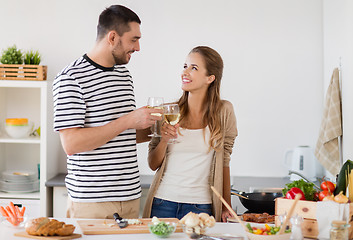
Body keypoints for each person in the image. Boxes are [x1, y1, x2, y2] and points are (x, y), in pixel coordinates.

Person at [53, 5, 162, 219]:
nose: (138, 47)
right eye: (133, 39)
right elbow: (71, 144)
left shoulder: (123, 75)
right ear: (112, 37)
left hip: (130, 197)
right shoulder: (70, 78)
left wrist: (156, 129)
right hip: (91, 202)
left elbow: (123, 135)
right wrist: (128, 120)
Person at [143, 46, 238, 222]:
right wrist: (164, 141)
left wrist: (226, 206)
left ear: (210, 78)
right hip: (163, 202)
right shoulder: (167, 112)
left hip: (202, 206)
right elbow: (152, 163)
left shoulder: (224, 111)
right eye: (185, 66)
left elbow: (225, 160)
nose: (184, 72)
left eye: (193, 68)